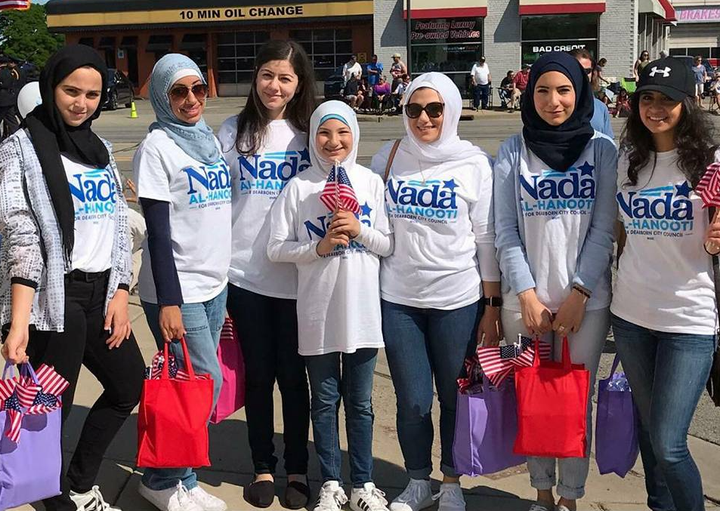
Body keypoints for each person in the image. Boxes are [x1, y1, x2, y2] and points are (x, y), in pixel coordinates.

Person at [0, 44, 145, 511]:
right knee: (50, 408)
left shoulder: (99, 147)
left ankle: (81, 481)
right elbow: (21, 240)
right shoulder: (18, 151)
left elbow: (118, 222)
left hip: (103, 292)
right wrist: (20, 322)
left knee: (128, 386)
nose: (81, 103)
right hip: (53, 297)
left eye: (92, 94)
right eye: (70, 91)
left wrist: (121, 289)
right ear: (49, 88)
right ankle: (51, 493)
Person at [371, 72, 502, 511]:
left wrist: (491, 305)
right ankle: (416, 479)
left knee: (453, 395)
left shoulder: (473, 162)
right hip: (399, 299)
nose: (423, 118)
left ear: (450, 109)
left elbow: (486, 238)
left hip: (457, 301)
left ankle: (451, 480)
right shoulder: (387, 157)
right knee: (411, 399)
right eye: (413, 109)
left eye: (434, 109)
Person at [493, 52, 617, 511]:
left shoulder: (602, 150)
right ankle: (541, 494)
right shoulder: (512, 150)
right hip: (521, 306)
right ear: (529, 94)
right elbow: (504, 228)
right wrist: (525, 294)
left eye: (563, 90)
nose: (553, 100)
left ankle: (570, 498)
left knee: (573, 403)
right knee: (532, 396)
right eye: (542, 90)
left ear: (580, 92)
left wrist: (580, 293)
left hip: (586, 303)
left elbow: (604, 228)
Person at [268, 100, 393, 511]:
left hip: (361, 313)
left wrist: (361, 230)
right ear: (313, 138)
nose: (333, 142)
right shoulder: (300, 188)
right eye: (324, 133)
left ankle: (363, 483)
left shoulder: (370, 182)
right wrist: (317, 247)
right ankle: (331, 483)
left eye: (342, 133)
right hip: (318, 312)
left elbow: (388, 243)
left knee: (360, 403)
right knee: (323, 402)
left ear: (354, 135)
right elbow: (275, 249)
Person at [612, 56, 718, 511]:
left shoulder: (709, 162)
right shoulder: (628, 160)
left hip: (689, 320)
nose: (656, 108)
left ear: (687, 104)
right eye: (647, 99)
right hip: (632, 316)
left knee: (671, 442)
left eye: (668, 100)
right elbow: (618, 232)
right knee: (650, 432)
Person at [217, 39, 315, 510]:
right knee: (257, 378)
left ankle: (297, 469)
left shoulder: (310, 134)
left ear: (300, 85)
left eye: (286, 78)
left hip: (300, 279)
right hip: (246, 278)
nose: (275, 86)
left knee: (295, 380)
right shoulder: (232, 131)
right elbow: (214, 204)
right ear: (255, 78)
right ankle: (262, 466)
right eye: (267, 75)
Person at [134, 53, 231, 511]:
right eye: (178, 92)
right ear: (161, 96)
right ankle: (160, 479)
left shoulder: (206, 139)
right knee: (201, 382)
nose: (191, 99)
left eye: (198, 88)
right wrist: (169, 302)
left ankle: (184, 479)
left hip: (214, 283)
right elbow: (157, 230)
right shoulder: (155, 147)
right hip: (179, 290)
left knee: (192, 386)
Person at [569, 48, 614, 139]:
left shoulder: (601, 108)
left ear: (593, 73)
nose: (582, 74)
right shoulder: (556, 106)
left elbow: (609, 144)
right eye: (577, 69)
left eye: (587, 71)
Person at [0, 56, 20, 140]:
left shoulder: (1, 73)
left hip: (2, 100)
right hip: (9, 99)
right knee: (12, 121)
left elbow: (4, 85)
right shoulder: (11, 72)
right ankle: (18, 137)